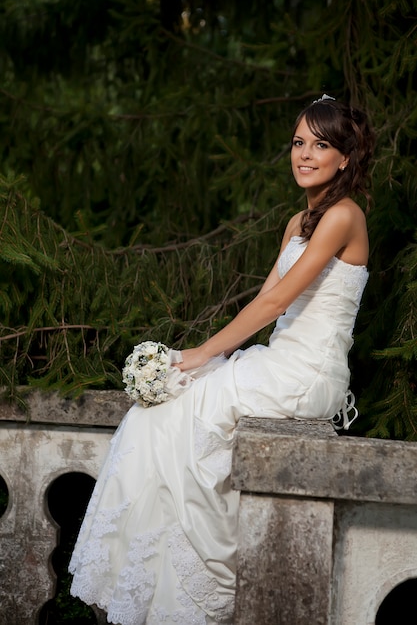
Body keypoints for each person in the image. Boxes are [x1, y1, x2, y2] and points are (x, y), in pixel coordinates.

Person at [69, 95, 375, 624]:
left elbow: (280, 303)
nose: (304, 155)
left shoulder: (344, 217)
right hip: (278, 360)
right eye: (298, 143)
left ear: (344, 158)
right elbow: (264, 301)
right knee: (159, 411)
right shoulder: (299, 220)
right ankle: (151, 579)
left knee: (186, 402)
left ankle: (205, 586)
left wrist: (198, 355)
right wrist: (209, 359)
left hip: (308, 375)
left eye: (320, 146)